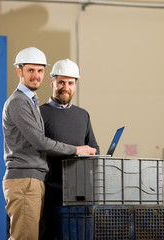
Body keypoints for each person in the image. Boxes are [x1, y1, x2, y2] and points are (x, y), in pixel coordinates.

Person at [2, 48, 97, 240]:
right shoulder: (21, 103)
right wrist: (77, 150)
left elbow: (94, 148)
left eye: (39, 71)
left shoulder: (31, 102)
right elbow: (40, 142)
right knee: (28, 236)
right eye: (31, 70)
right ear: (19, 71)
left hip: (50, 184)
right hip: (29, 180)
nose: (36, 75)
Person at [39, 58, 100, 239]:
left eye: (70, 83)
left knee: (78, 235)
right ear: (52, 83)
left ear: (75, 85)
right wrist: (77, 149)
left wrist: (90, 152)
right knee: (48, 234)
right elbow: (39, 146)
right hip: (50, 189)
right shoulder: (40, 113)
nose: (66, 87)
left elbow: (94, 147)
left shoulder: (83, 115)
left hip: (80, 192)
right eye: (61, 82)